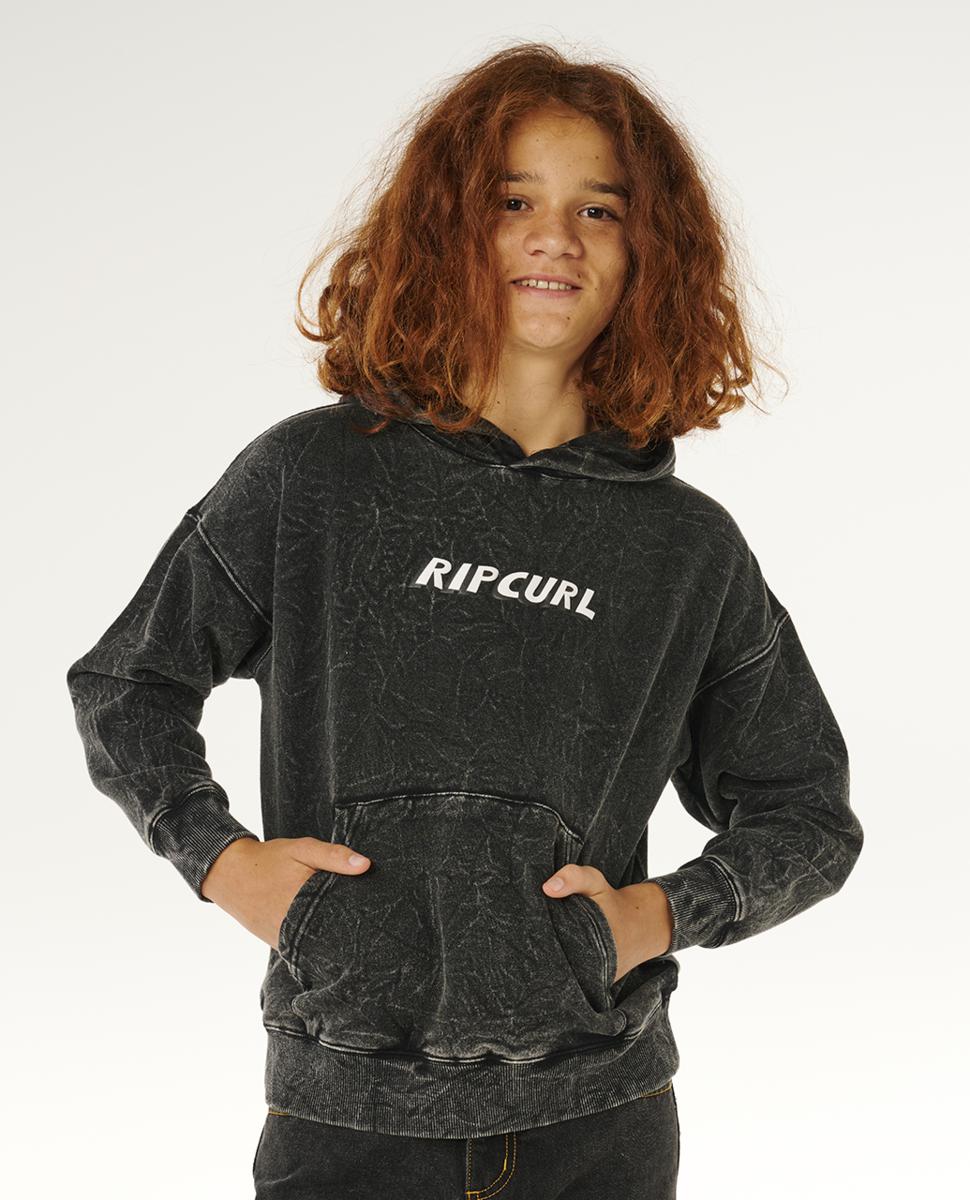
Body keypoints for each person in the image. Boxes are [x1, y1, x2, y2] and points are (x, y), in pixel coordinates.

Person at [65, 41, 864, 1200]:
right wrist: (223, 863)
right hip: (348, 1111)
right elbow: (127, 684)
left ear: (650, 255)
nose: (556, 237)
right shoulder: (313, 479)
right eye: (512, 202)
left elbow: (805, 818)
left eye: (599, 209)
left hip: (601, 1118)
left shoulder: (684, 546)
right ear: (447, 233)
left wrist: (653, 916)